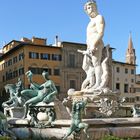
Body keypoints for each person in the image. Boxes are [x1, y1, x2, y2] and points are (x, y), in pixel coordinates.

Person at [84, 0, 105, 90]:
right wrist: (89, 45)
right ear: (86, 11)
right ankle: (92, 82)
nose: (91, 9)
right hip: (89, 46)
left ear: (96, 7)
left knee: (96, 63)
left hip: (96, 44)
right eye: (88, 8)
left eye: (92, 6)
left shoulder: (99, 17)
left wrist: (94, 44)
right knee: (85, 66)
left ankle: (98, 83)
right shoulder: (90, 22)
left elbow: (101, 32)